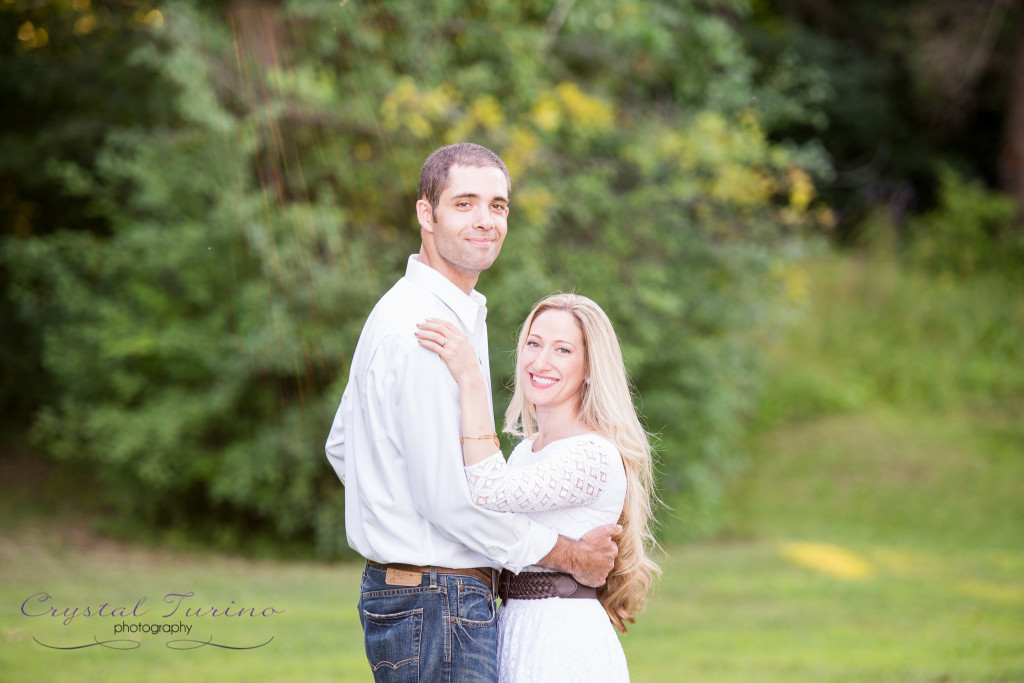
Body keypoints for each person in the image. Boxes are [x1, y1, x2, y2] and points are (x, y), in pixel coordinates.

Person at [325, 143, 621, 683]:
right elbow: (452, 500)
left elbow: (343, 445)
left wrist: (395, 509)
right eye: (465, 203)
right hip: (438, 599)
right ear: (426, 213)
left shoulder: (408, 311)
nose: (486, 220)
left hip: (422, 595)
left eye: (498, 205)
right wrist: (570, 556)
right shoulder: (424, 332)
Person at [414, 292, 660, 682]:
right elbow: (484, 523)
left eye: (562, 350)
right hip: (514, 626)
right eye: (533, 343)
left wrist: (470, 378)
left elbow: (489, 492)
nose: (540, 362)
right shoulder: (527, 452)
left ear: (590, 368)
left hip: (561, 639)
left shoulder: (591, 455)